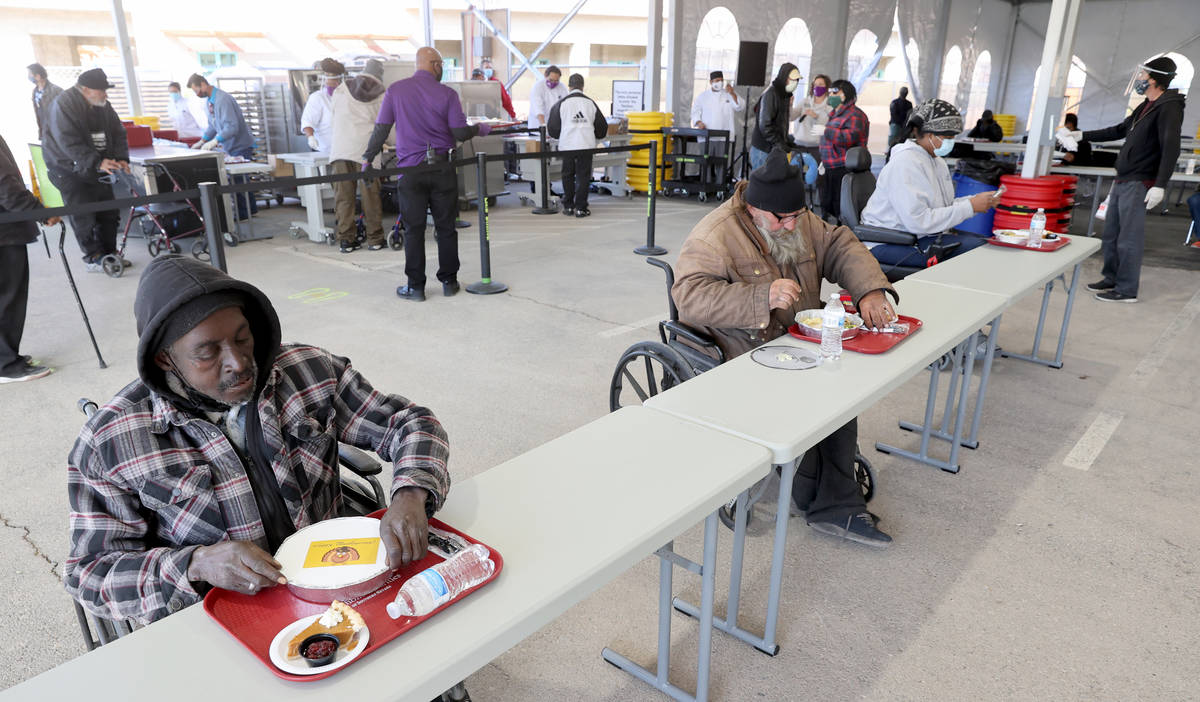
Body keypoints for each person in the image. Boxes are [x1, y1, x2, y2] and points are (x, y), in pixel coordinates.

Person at [63, 255, 449, 624]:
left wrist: (411, 492)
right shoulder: (110, 441)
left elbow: (409, 422)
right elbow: (90, 573)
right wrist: (195, 563)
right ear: (165, 358)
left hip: (334, 576)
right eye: (207, 353)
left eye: (242, 339)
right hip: (226, 613)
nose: (238, 362)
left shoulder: (308, 370)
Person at [671, 147, 897, 548]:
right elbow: (689, 296)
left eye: (797, 216)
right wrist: (761, 297)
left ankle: (836, 493)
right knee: (804, 415)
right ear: (755, 209)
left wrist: (869, 289)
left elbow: (841, 245)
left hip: (795, 342)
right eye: (782, 219)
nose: (792, 225)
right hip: (739, 349)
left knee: (840, 396)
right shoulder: (715, 234)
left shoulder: (796, 219)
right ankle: (826, 503)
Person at [362, 47, 492, 302]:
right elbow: (460, 133)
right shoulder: (447, 94)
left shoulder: (396, 91)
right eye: (441, 64)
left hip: (410, 171)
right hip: (443, 169)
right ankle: (449, 281)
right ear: (434, 65)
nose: (441, 69)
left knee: (413, 229)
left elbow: (381, 129)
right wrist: (480, 128)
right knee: (446, 228)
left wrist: (368, 159)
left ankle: (416, 287)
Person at [1066, 56, 1185, 303]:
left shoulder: (1169, 107)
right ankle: (1111, 277)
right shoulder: (1146, 105)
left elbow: (1171, 147)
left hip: (1139, 181)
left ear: (1154, 79)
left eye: (1143, 75)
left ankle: (1127, 289)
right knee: (1111, 234)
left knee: (1129, 238)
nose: (1139, 79)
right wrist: (1080, 135)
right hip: (1124, 179)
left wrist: (1160, 185)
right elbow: (1119, 130)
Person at [860, 98, 1001, 269]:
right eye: (947, 137)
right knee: (974, 254)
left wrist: (974, 201)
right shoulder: (905, 163)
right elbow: (919, 221)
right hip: (890, 242)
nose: (951, 142)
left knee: (981, 245)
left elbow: (941, 207)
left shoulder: (936, 161)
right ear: (928, 134)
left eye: (953, 137)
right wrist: (970, 207)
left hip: (918, 236)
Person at [41, 68, 130, 272]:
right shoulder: (63, 105)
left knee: (109, 212)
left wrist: (121, 158)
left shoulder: (103, 105)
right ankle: (93, 257)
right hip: (68, 169)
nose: (106, 94)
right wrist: (96, 162)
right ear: (87, 89)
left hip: (97, 167)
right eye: (102, 90)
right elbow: (67, 141)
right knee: (84, 215)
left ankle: (110, 253)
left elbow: (118, 132)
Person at [1, 133, 60, 383]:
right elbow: (6, 187)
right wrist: (39, 211)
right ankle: (5, 364)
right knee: (7, 296)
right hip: (4, 233)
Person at [329, 59, 390, 254]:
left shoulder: (341, 89)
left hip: (340, 150)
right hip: (367, 153)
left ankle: (346, 240)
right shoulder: (382, 93)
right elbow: (385, 125)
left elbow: (333, 116)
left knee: (344, 197)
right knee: (370, 197)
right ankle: (375, 239)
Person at [187, 73, 257, 219]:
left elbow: (232, 127)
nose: (197, 94)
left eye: (196, 90)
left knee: (239, 180)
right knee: (236, 179)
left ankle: (245, 213)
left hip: (240, 145)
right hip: (230, 146)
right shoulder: (210, 102)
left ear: (203, 84)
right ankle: (249, 210)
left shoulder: (223, 99)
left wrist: (215, 141)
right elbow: (213, 125)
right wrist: (203, 141)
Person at [548, 73, 608, 218]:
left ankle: (568, 206)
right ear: (582, 86)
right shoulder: (590, 103)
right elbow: (602, 127)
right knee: (583, 176)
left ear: (569, 87)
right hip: (586, 145)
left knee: (567, 175)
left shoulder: (561, 104)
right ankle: (581, 208)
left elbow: (553, 128)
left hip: (567, 145)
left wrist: (561, 135)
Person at [819, 79, 869, 222]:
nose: (831, 95)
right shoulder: (836, 113)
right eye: (830, 92)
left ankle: (843, 236)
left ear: (845, 94)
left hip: (844, 167)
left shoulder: (855, 114)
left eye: (835, 92)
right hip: (831, 165)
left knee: (843, 207)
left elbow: (849, 138)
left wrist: (826, 131)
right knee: (830, 204)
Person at [690, 70, 743, 183]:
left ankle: (719, 188)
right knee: (706, 164)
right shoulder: (703, 96)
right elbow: (695, 112)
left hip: (723, 136)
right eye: (716, 80)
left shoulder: (728, 94)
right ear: (711, 82)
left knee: (721, 164)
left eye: (721, 80)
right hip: (706, 136)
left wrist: (733, 93)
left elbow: (739, 106)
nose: (719, 83)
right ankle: (705, 188)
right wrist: (699, 122)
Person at [750, 63, 801, 170]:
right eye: (792, 79)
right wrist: (780, 144)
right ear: (784, 77)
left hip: (773, 149)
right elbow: (765, 125)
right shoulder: (771, 93)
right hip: (763, 150)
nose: (795, 83)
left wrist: (787, 143)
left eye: (797, 80)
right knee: (763, 185)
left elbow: (782, 122)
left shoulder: (785, 95)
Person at [301, 58, 345, 152]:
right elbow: (308, 121)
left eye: (337, 81)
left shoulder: (346, 96)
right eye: (332, 81)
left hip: (345, 149)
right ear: (324, 80)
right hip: (325, 150)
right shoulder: (318, 98)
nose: (335, 84)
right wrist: (311, 137)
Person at [28, 63, 64, 140]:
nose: (29, 76)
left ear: (38, 76)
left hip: (57, 131)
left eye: (30, 74)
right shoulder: (35, 91)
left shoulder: (56, 90)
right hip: (45, 131)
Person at [528, 65, 568, 130]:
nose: (553, 83)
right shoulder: (538, 87)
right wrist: (544, 127)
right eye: (551, 80)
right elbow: (538, 109)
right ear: (545, 76)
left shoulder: (562, 87)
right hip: (537, 126)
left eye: (556, 81)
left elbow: (566, 106)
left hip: (555, 127)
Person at [887, 86, 912, 151]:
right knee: (893, 140)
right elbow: (893, 115)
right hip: (896, 124)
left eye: (905, 92)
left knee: (901, 141)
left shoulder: (908, 104)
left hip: (902, 125)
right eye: (903, 92)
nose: (904, 93)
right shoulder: (895, 102)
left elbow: (909, 115)